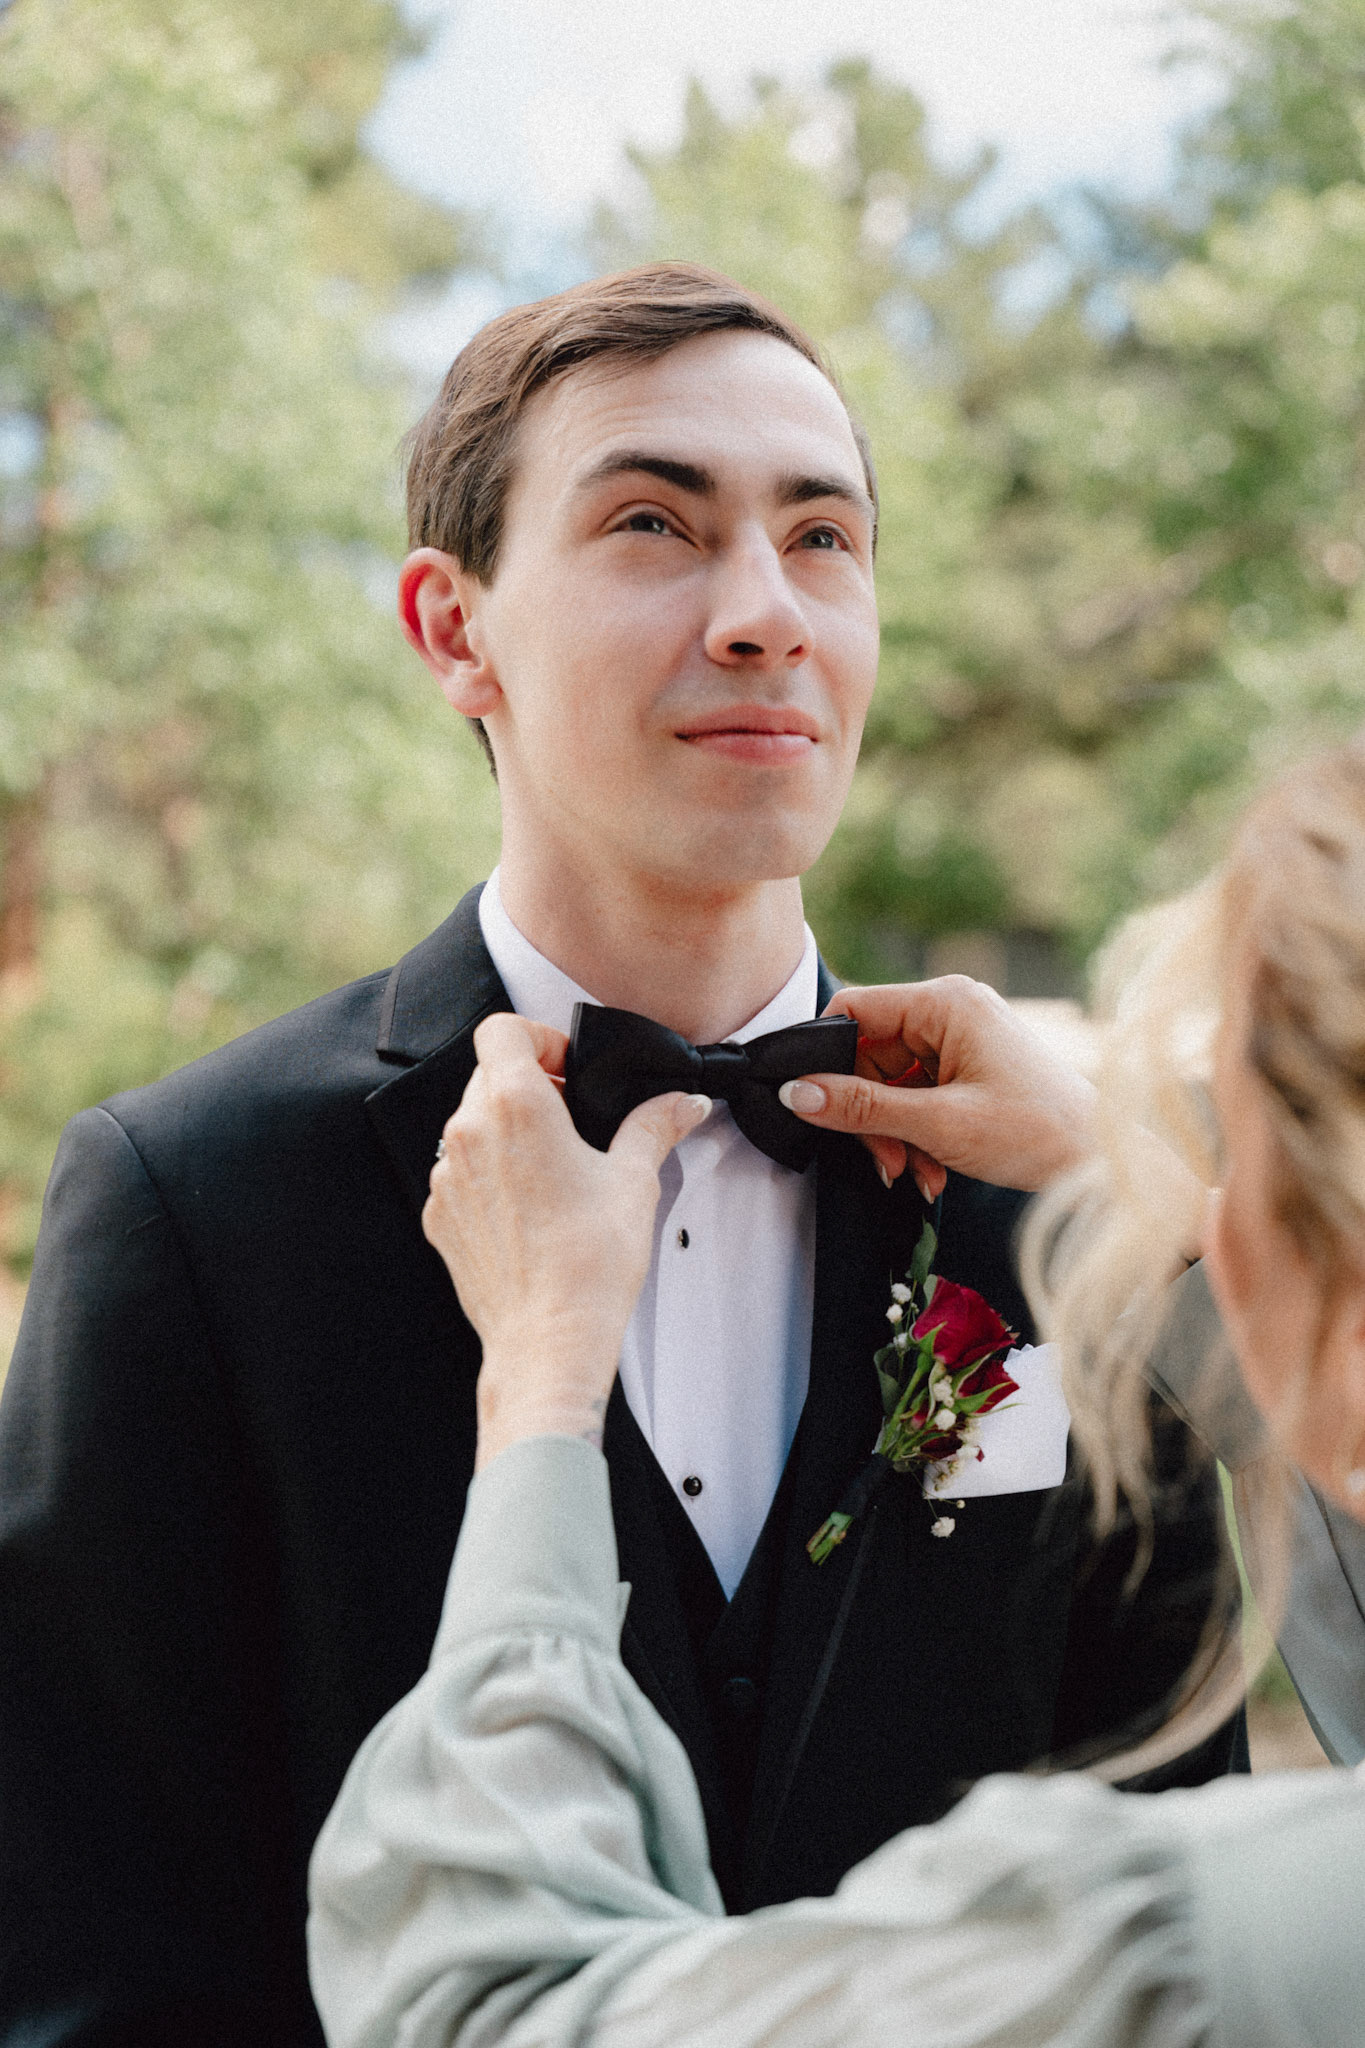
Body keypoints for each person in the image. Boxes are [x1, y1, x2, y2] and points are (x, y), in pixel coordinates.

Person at [0, 265, 1237, 2048]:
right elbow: (98, 1962)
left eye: (821, 539)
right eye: (654, 524)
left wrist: (1131, 1215)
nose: (763, 613)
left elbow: (1190, 1866)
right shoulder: (192, 1201)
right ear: (453, 630)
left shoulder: (1057, 1202)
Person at [308, 738, 1365, 2047]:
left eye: (1235, 1162)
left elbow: (493, 2008)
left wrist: (539, 1380)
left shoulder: (1225, 1936)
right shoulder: (206, 1188)